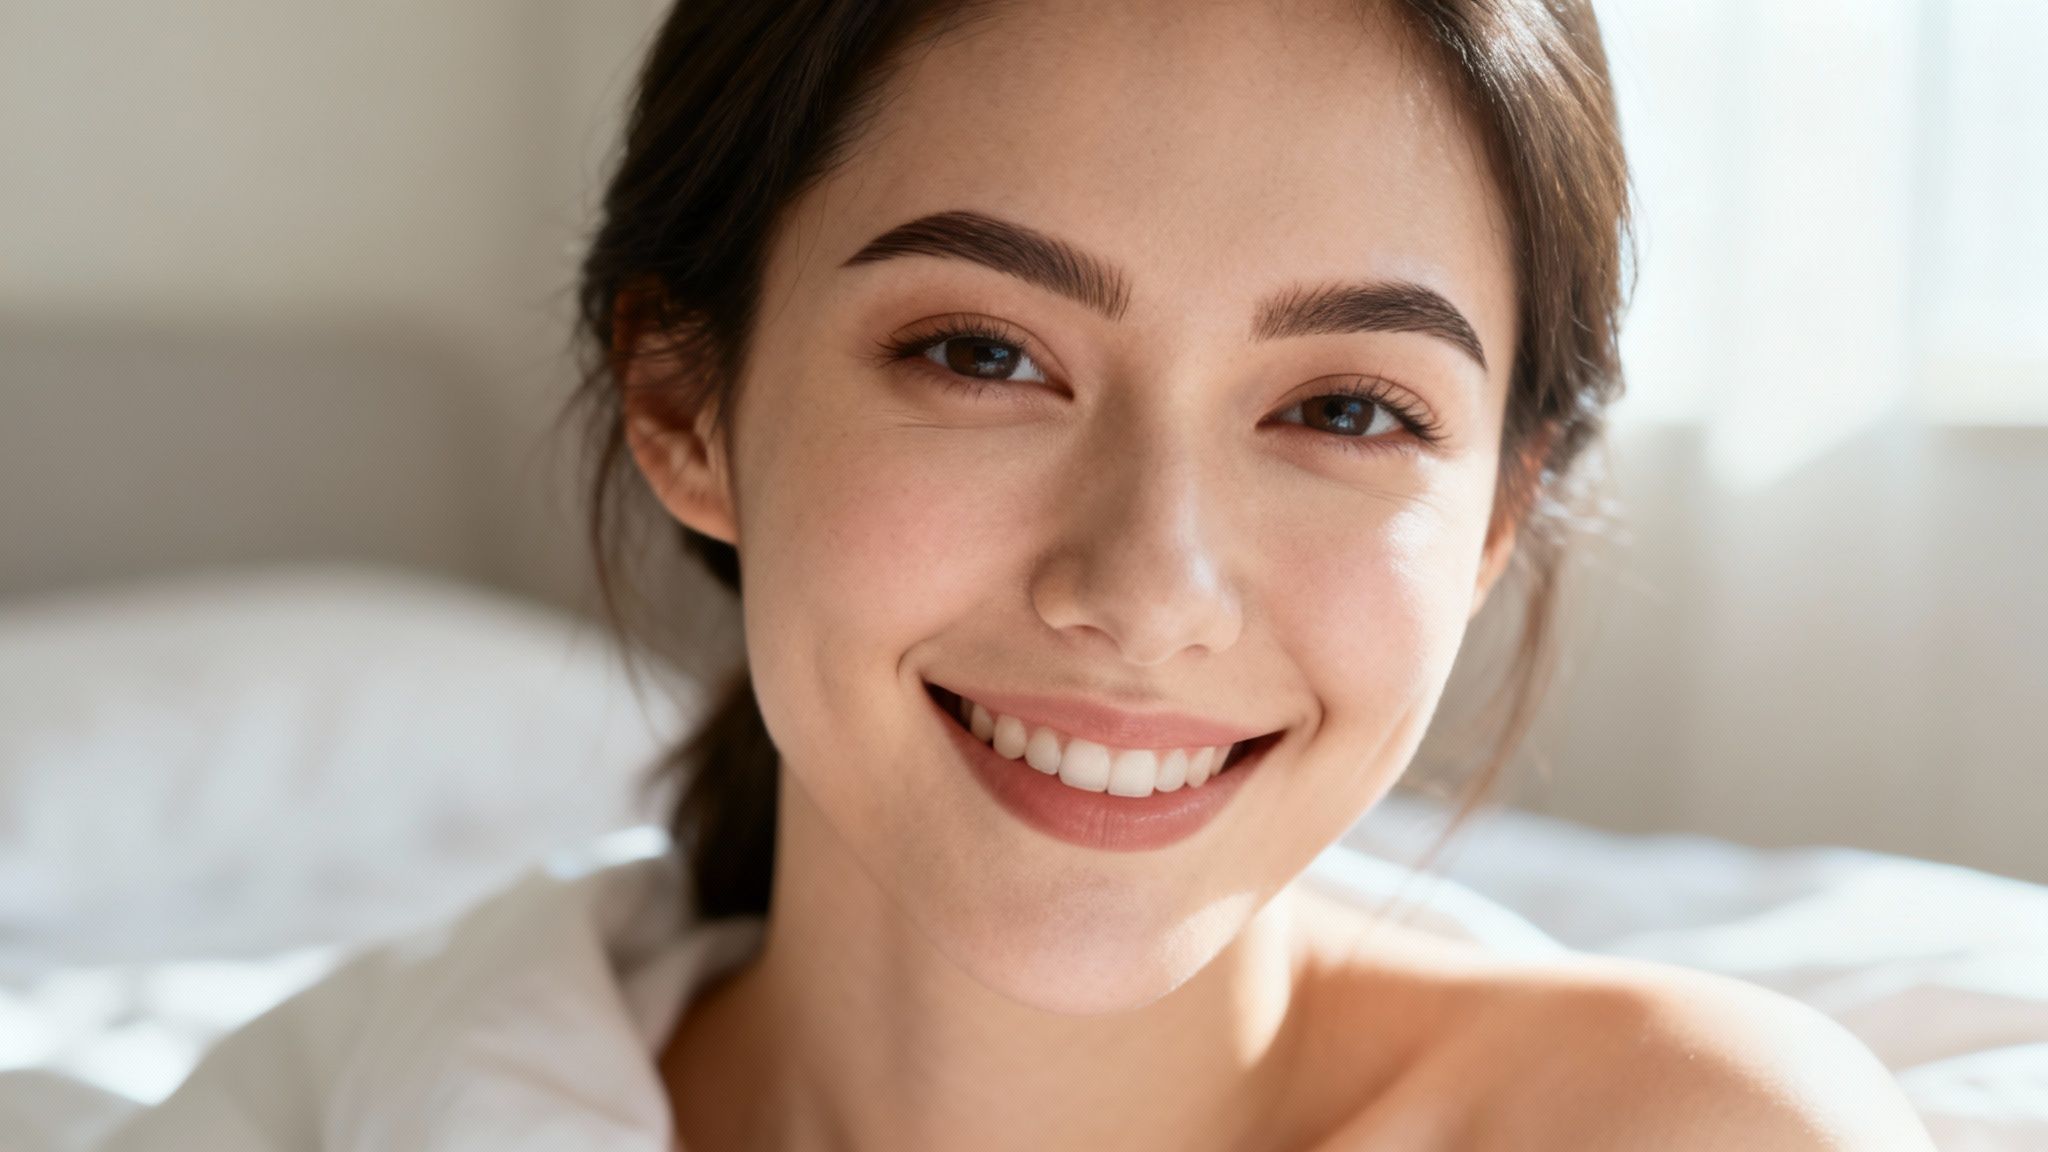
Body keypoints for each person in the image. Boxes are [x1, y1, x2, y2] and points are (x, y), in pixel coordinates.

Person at [85, 0, 1936, 1148]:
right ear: (685, 402)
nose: (1150, 585)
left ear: (1503, 514)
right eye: (984, 355)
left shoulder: (1695, 1137)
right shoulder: (344, 1109)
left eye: (1353, 409)